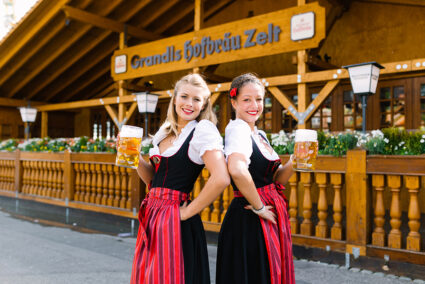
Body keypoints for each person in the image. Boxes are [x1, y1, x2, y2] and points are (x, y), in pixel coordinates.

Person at [130, 74, 230, 284]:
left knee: (173, 276)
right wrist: (134, 157)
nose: (189, 104)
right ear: (174, 99)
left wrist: (186, 212)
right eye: (184, 96)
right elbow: (153, 180)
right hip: (153, 214)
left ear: (203, 106)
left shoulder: (202, 131)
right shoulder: (165, 133)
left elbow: (221, 178)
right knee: (152, 276)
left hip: (174, 217)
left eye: (196, 99)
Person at [216, 73, 295, 284]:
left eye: (259, 99)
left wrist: (295, 162)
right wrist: (259, 206)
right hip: (250, 219)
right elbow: (237, 169)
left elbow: (275, 180)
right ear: (234, 102)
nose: (254, 105)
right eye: (246, 99)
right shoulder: (238, 129)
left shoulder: (258, 134)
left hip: (267, 211)